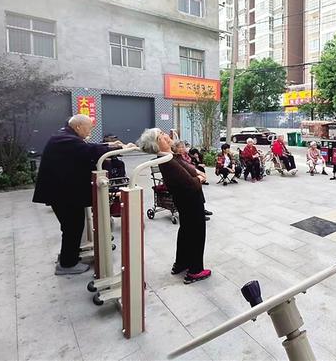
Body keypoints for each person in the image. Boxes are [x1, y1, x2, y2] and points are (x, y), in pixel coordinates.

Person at [33, 115, 131, 275]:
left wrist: (112, 145)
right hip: (61, 194)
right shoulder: (65, 139)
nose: (90, 131)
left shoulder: (66, 136)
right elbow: (89, 150)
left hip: (63, 192)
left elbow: (88, 147)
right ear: (78, 127)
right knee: (72, 227)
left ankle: (68, 256)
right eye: (89, 128)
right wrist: (118, 148)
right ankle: (67, 264)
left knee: (72, 226)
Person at [138, 128, 211, 284]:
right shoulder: (167, 161)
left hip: (186, 200)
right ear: (157, 144)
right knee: (196, 233)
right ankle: (195, 271)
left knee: (186, 231)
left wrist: (197, 172)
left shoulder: (170, 156)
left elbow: (187, 169)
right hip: (190, 200)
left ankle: (181, 263)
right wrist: (200, 178)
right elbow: (191, 184)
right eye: (161, 135)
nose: (166, 135)